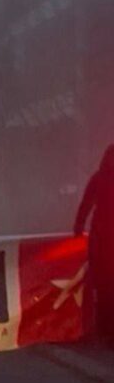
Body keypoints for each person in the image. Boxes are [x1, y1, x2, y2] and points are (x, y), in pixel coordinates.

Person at [74, 144, 114, 346]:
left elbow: (86, 204)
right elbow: (86, 204)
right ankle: (106, 330)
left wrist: (79, 227)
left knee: (105, 287)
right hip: (102, 241)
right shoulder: (98, 179)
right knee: (105, 287)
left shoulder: (98, 178)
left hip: (102, 240)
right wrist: (79, 226)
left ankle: (106, 330)